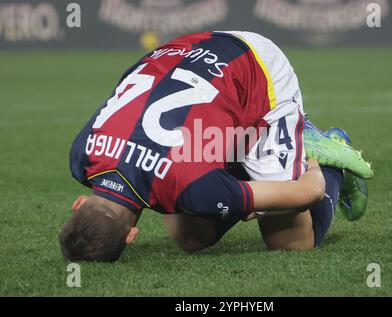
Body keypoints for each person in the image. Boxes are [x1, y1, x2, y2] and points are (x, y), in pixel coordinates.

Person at [59, 31, 373, 262]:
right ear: (79, 203)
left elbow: (308, 192)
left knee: (290, 241)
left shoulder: (191, 187)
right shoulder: (81, 155)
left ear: (131, 236)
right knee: (191, 237)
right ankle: (241, 156)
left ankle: (322, 149)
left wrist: (313, 168)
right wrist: (232, 196)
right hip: (182, 50)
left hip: (258, 69)